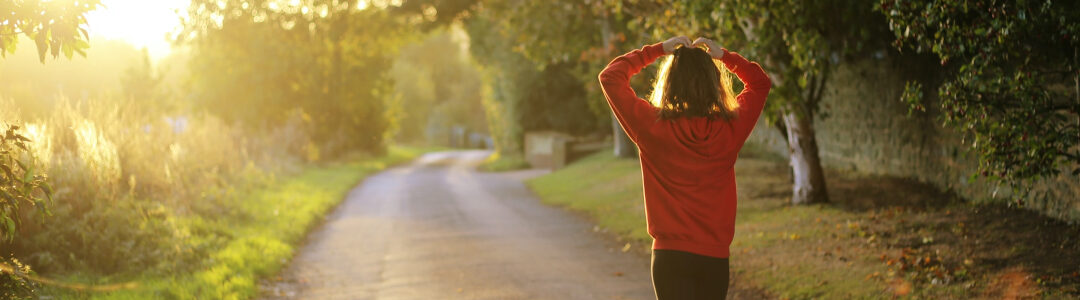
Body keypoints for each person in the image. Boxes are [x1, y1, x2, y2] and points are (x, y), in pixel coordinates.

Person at [598, 36, 771, 299]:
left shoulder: (652, 126)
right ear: (713, 83)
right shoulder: (729, 128)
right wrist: (724, 56)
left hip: (669, 257)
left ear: (670, 83)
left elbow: (611, 77)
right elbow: (760, 83)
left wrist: (656, 51)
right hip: (714, 258)